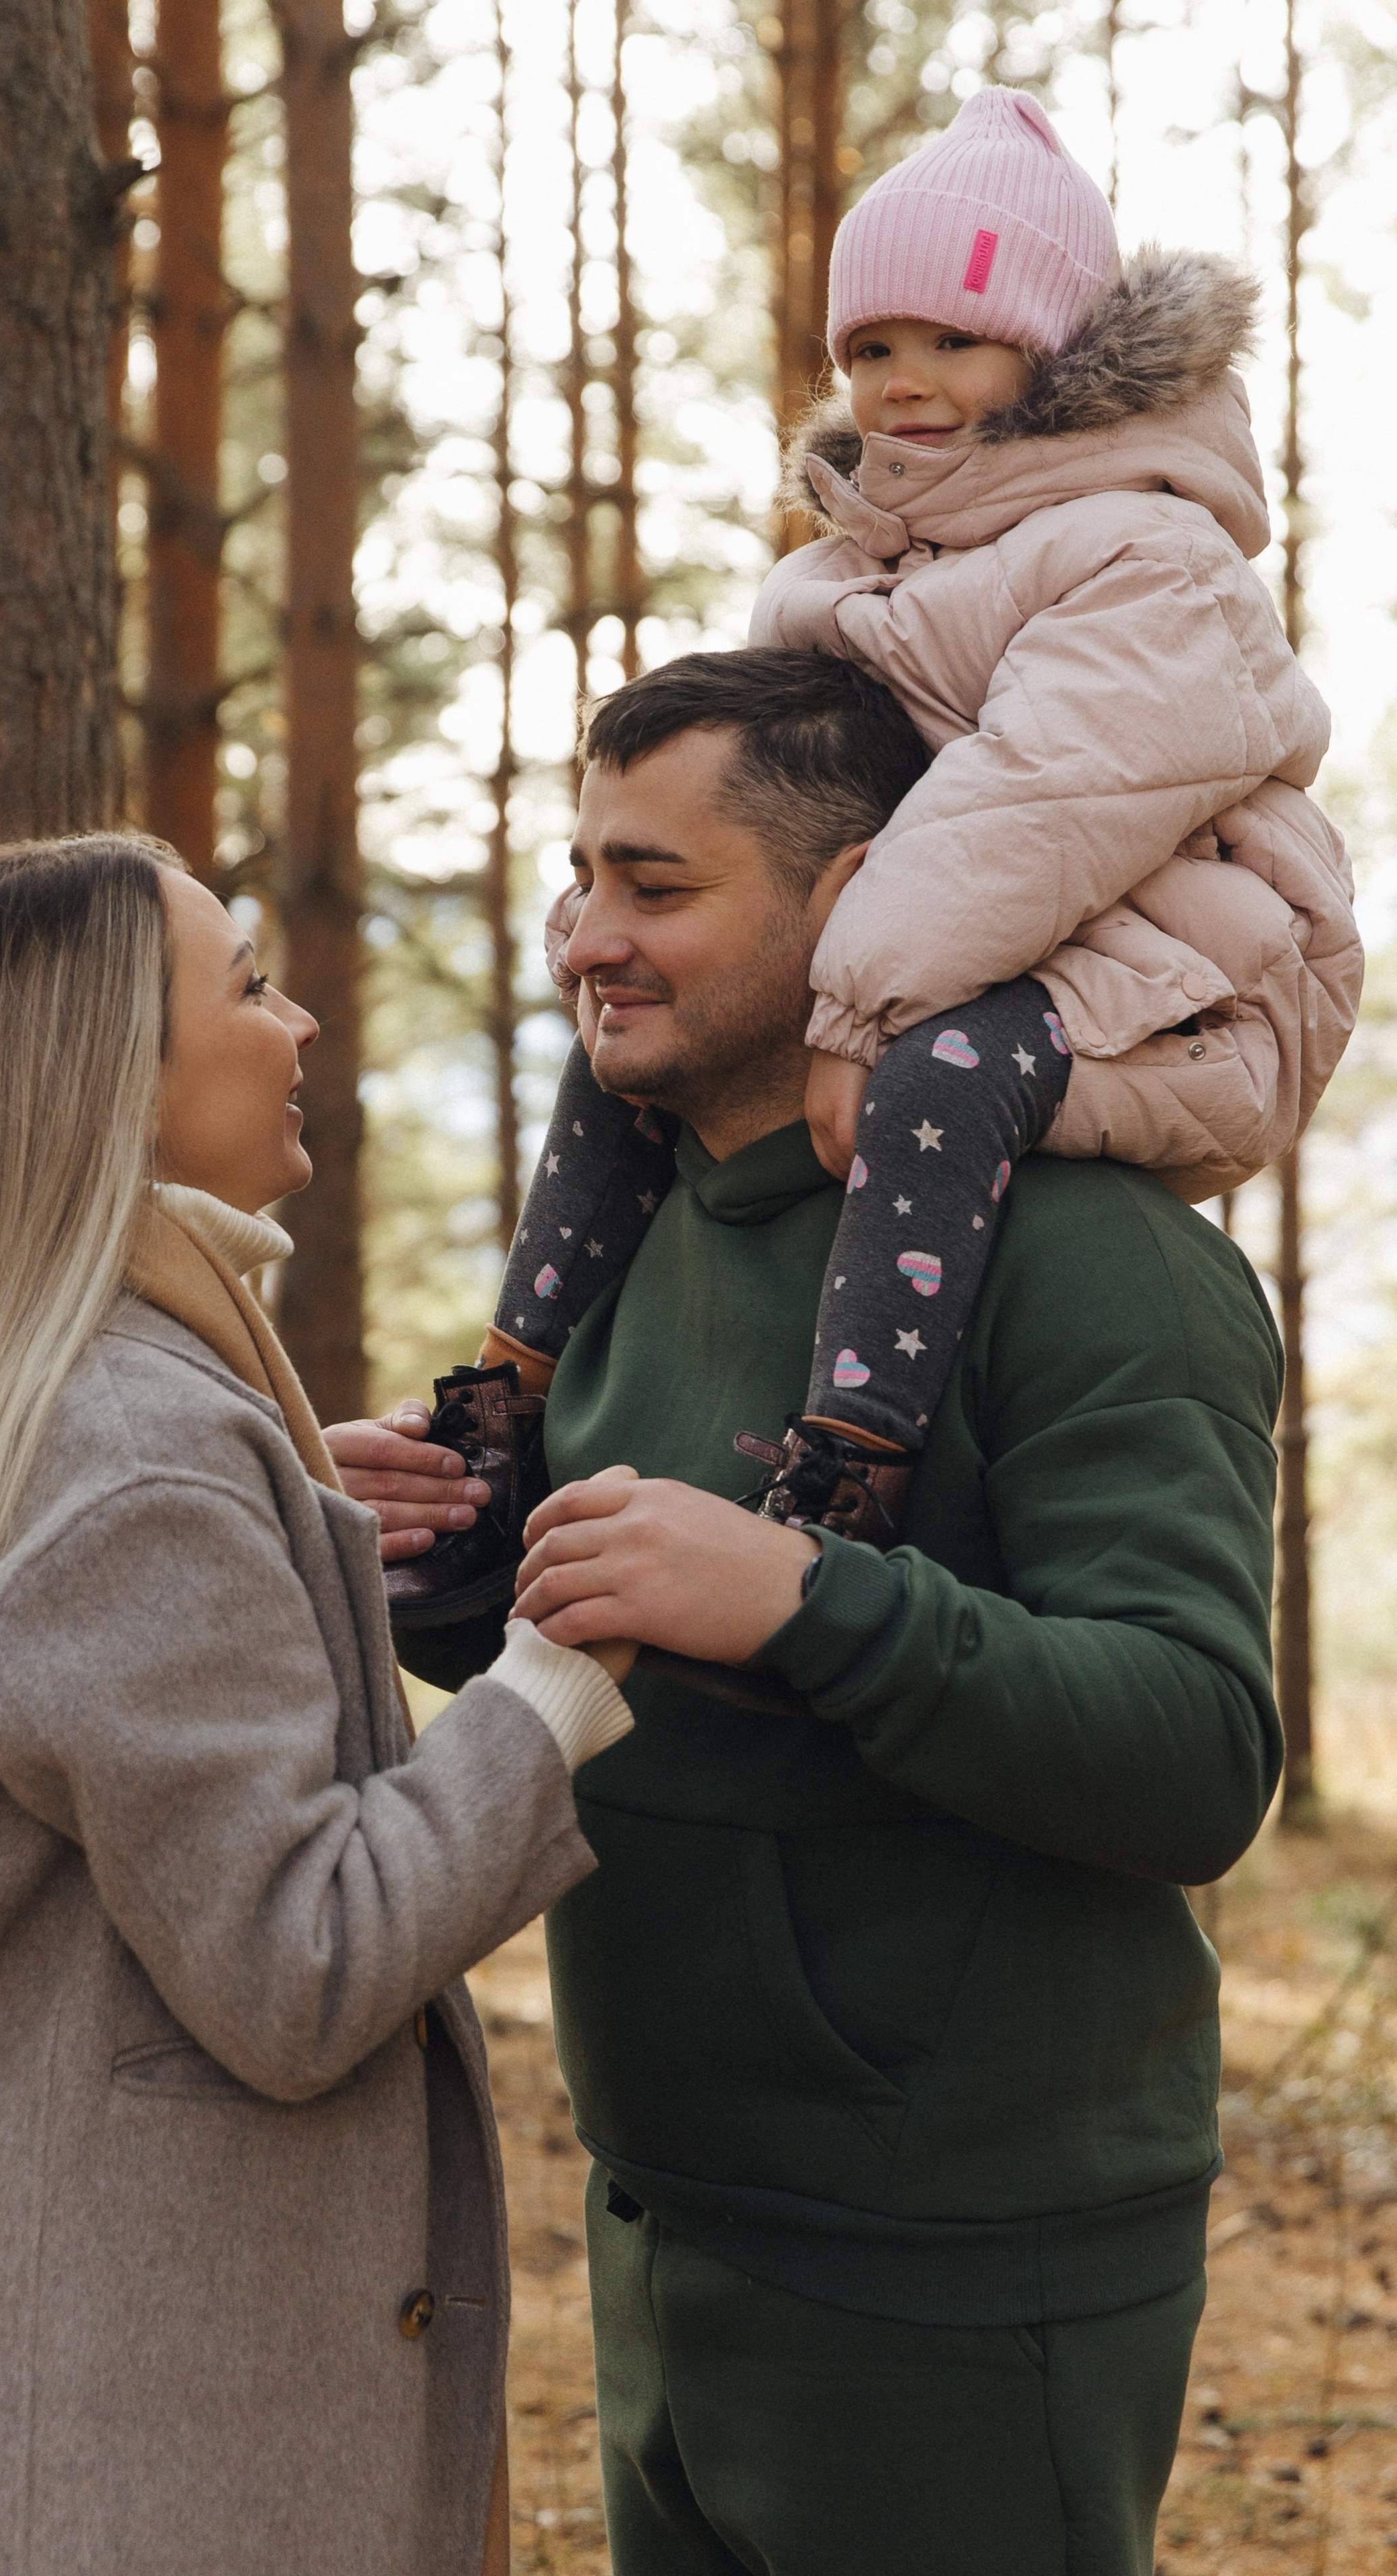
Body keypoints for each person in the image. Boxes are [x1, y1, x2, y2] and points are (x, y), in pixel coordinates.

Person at [328, 651, 1288, 2575]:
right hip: (662, 2217)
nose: (588, 937)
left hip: (954, 2267)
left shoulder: (1097, 1260)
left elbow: (1195, 1754)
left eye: (655, 888)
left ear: (859, 905)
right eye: (580, 880)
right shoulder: (638, 1235)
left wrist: (812, 1599)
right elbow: (649, 1662)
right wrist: (440, 1571)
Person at [0, 834, 634, 2576]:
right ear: (120, 1084)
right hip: (96, 2446)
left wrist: (275, 1503)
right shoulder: (135, 1456)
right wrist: (568, 1673)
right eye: (250, 985)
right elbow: (303, 1965)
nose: (306, 1022)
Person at [389, 83, 1356, 1621]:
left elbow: (1038, 801)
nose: (900, 385)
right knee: (617, 1045)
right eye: (868, 350)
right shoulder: (844, 567)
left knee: (930, 1085)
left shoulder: (1147, 554)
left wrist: (854, 1008)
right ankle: (500, 1407)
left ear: (1051, 355)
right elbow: (767, 803)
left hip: (1173, 961)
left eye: (950, 343)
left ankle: (847, 1472)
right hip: (949, 948)